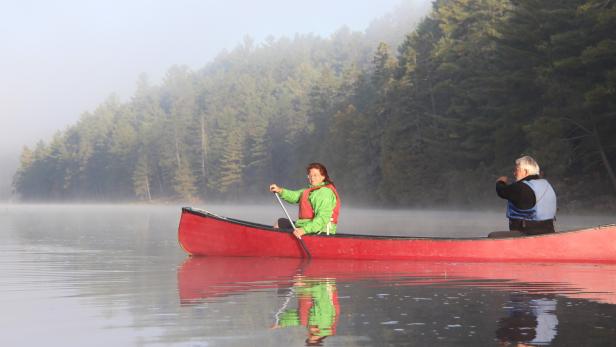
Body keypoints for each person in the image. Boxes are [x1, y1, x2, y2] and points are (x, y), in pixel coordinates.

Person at [489, 156, 557, 238]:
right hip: (549, 232)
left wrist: (500, 182)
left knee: (492, 236)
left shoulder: (520, 187)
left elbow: (502, 191)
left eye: (516, 170)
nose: (514, 173)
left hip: (527, 234)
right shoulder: (547, 185)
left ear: (525, 171)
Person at [269, 163, 340, 239]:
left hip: (320, 231)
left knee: (281, 225)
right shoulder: (310, 190)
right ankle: (277, 246)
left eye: (315, 175)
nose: (312, 178)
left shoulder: (324, 193)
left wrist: (303, 230)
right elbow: (295, 196)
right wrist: (280, 191)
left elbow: (322, 219)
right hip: (307, 226)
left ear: (323, 177)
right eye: (310, 175)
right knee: (280, 222)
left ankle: (277, 246)